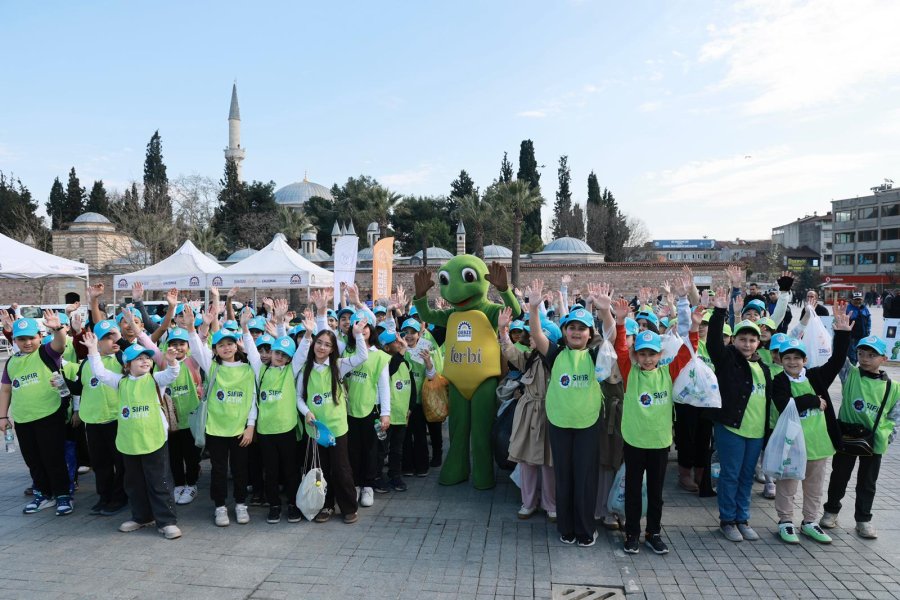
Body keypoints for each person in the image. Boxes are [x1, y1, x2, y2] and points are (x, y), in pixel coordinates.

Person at [613, 295, 701, 555]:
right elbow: (620, 350)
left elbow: (687, 354)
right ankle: (631, 533)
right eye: (643, 354)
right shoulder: (630, 372)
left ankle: (653, 532)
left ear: (660, 355)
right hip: (634, 440)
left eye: (652, 354)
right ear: (636, 355)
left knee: (655, 492)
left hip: (660, 442)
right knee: (632, 490)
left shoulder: (668, 373)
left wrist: (694, 327)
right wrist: (620, 322)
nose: (648, 359)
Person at [82, 332, 182, 539]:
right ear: (127, 365)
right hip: (129, 442)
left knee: (159, 482)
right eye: (138, 358)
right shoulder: (120, 382)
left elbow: (171, 374)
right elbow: (100, 373)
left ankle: (166, 521)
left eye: (147, 358)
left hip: (154, 441)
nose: (144, 361)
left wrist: (172, 362)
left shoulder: (156, 380)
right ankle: (141, 517)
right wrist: (92, 350)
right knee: (134, 483)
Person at [529, 281, 604, 548]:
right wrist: (534, 308)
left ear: (589, 334)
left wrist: (606, 313)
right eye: (571, 327)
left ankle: (585, 529)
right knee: (564, 475)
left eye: (581, 328)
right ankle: (567, 527)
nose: (576, 332)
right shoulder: (556, 353)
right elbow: (537, 337)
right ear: (564, 331)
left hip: (588, 425)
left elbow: (615, 341)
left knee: (585, 478)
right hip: (560, 423)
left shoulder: (596, 356)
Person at [770, 311, 850, 545]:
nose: (792, 362)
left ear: (805, 359)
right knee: (787, 485)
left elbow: (836, 362)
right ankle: (785, 521)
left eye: (797, 357)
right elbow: (784, 404)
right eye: (787, 358)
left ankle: (810, 522)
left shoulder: (816, 377)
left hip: (817, 443)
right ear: (780, 360)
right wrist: (813, 400)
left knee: (814, 487)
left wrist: (843, 335)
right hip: (791, 445)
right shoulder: (780, 381)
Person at [185, 288, 257, 527]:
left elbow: (253, 400)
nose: (226, 348)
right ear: (215, 350)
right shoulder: (212, 366)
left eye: (230, 344)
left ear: (236, 346)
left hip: (240, 430)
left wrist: (250, 427)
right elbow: (196, 347)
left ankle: (240, 504)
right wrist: (194, 328)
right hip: (216, 428)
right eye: (221, 345)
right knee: (217, 471)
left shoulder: (248, 369)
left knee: (240, 470)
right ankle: (219, 507)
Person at [707, 287, 773, 543]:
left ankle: (742, 518)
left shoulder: (764, 368)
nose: (747, 344)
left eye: (752, 340)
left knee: (747, 477)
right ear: (734, 340)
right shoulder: (727, 360)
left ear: (759, 342)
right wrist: (720, 311)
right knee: (730, 475)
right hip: (732, 429)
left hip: (756, 432)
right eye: (742, 339)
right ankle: (727, 520)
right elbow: (713, 341)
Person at [821, 335, 900, 539]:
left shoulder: (893, 387)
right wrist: (839, 332)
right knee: (839, 476)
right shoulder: (851, 374)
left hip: (874, 442)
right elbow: (838, 356)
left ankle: (863, 520)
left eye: (872, 355)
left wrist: (888, 436)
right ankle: (830, 511)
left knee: (867, 482)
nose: (865, 358)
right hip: (847, 436)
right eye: (861, 353)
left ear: (883, 358)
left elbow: (895, 416)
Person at [297, 317, 370, 524]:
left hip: (337, 428)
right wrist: (306, 412)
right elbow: (299, 397)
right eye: (319, 342)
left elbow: (362, 356)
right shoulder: (305, 369)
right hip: (316, 429)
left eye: (327, 345)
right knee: (321, 469)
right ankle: (326, 506)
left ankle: (348, 506)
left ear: (332, 349)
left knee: (341, 468)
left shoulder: (339, 365)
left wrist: (357, 335)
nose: (322, 347)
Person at [0, 312, 72, 515]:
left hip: (49, 415)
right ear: (14, 340)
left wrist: (57, 329)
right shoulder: (12, 362)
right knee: (33, 459)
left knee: (53, 458)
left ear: (40, 337)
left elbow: (60, 343)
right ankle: (43, 494)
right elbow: (5, 389)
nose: (28, 342)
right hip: (23, 418)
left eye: (31, 337)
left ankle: (63, 495)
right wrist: (3, 416)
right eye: (22, 339)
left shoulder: (47, 352)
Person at [498, 304, 559, 522]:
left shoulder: (556, 359)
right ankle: (529, 502)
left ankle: (551, 504)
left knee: (549, 462)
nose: (529, 338)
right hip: (528, 413)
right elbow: (511, 353)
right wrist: (503, 332)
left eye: (535, 335)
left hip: (549, 413)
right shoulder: (530, 357)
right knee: (527, 460)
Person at [70, 319, 129, 515]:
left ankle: (120, 498)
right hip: (93, 421)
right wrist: (61, 380)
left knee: (120, 463)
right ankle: (104, 497)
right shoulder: (87, 362)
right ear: (96, 340)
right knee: (100, 464)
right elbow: (79, 388)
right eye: (106, 338)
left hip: (117, 420)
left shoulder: (122, 359)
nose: (111, 341)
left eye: (114, 336)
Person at [373, 329, 412, 493]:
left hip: (401, 414)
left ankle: (395, 475)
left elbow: (412, 385)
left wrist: (410, 407)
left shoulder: (404, 360)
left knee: (397, 448)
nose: (400, 342)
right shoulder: (384, 361)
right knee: (381, 448)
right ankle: (376, 476)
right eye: (395, 341)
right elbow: (391, 369)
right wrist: (402, 353)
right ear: (386, 347)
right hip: (385, 415)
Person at [845, 292, 872, 365]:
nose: (858, 301)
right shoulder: (847, 308)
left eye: (859, 299)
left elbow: (868, 319)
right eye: (856, 299)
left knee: (862, 353)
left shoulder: (864, 308)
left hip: (863, 336)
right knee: (852, 355)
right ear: (851, 300)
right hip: (852, 336)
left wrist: (868, 330)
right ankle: (851, 370)